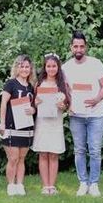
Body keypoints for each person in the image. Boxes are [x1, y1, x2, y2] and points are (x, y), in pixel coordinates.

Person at [62, 31, 103, 197]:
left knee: (95, 150)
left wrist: (96, 99)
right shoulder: (65, 67)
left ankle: (94, 183)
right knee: (79, 150)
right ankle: (83, 182)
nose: (79, 49)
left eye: (82, 46)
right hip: (76, 116)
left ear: (86, 47)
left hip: (95, 114)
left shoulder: (96, 64)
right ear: (71, 47)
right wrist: (68, 105)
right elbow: (65, 91)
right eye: (76, 46)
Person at [0, 55, 36, 196]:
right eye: (22, 66)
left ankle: (20, 185)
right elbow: (3, 104)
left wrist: (33, 110)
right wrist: (2, 123)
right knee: (13, 158)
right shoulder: (11, 83)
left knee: (21, 158)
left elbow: (34, 106)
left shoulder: (31, 87)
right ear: (17, 68)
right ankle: (11, 185)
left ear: (31, 69)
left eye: (27, 67)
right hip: (11, 126)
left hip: (26, 127)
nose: (24, 69)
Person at [32, 53, 70, 195]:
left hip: (56, 122)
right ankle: (44, 185)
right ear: (45, 67)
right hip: (42, 122)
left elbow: (66, 104)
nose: (51, 69)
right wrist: (35, 103)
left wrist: (63, 106)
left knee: (54, 154)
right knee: (43, 153)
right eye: (48, 66)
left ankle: (52, 186)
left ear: (58, 67)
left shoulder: (62, 84)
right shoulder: (39, 84)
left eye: (54, 66)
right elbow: (34, 104)